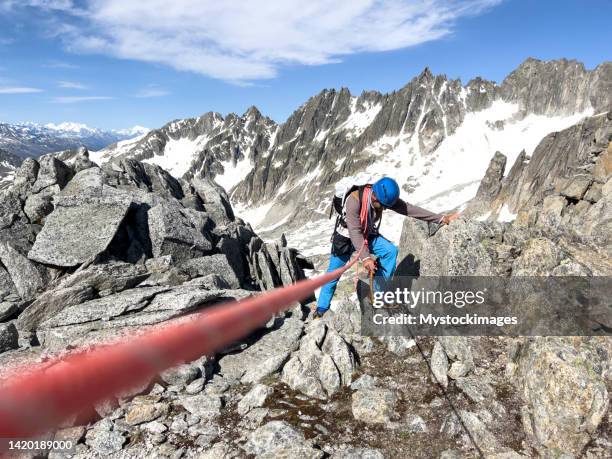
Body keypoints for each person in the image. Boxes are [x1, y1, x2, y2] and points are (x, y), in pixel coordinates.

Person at [314, 176, 460, 318]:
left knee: (390, 251)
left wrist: (441, 219)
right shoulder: (354, 201)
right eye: (384, 206)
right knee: (333, 274)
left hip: (367, 233)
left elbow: (408, 209)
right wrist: (366, 258)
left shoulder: (381, 197)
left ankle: (377, 295)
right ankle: (321, 309)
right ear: (375, 198)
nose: (385, 208)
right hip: (346, 237)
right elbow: (354, 232)